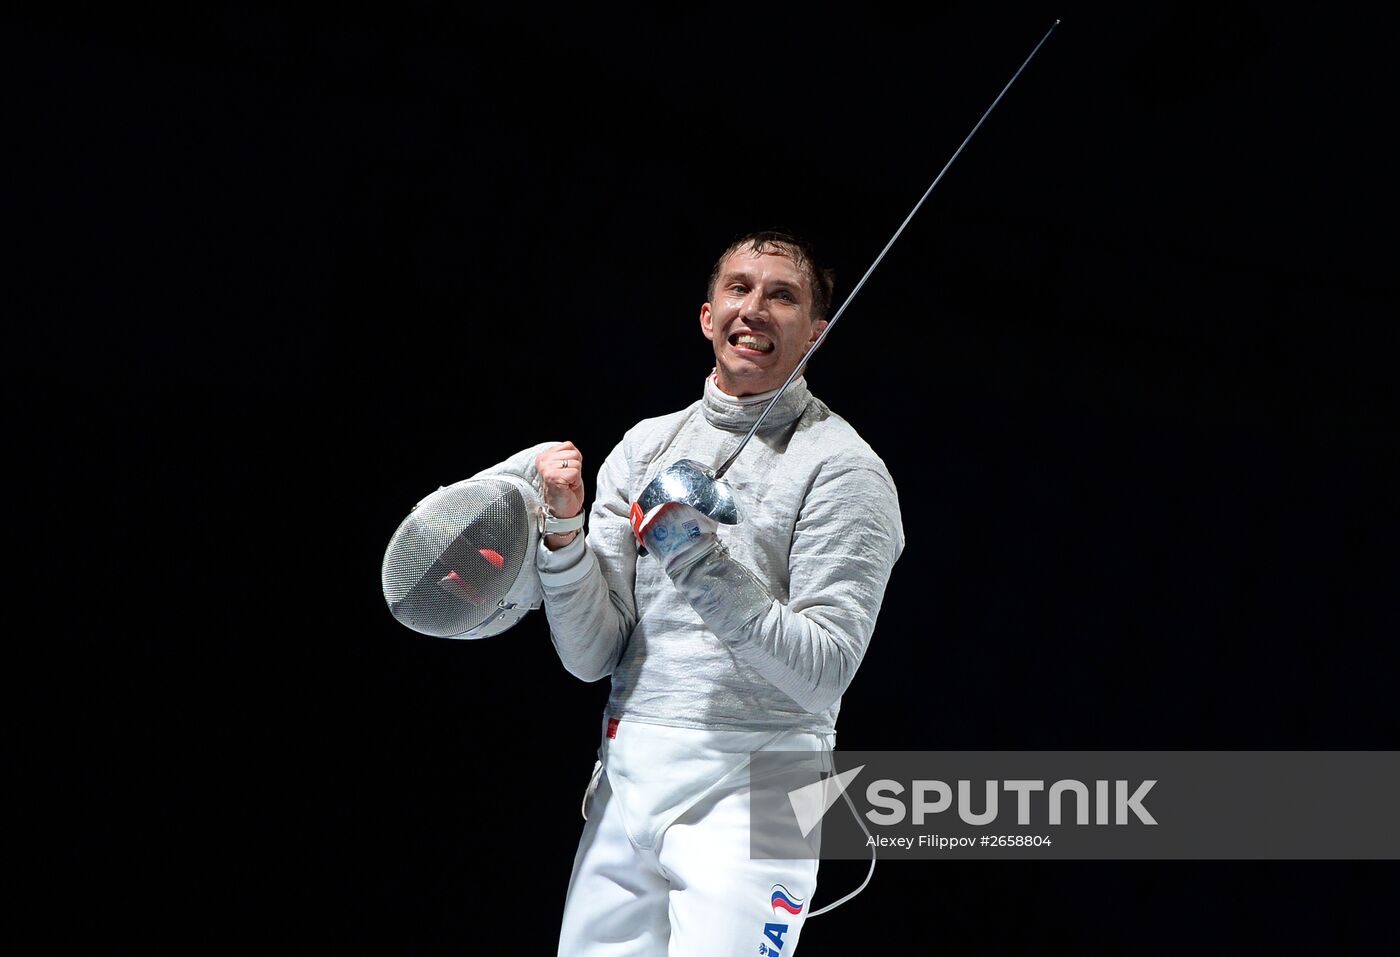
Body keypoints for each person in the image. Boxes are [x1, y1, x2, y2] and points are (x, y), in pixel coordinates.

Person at [534, 231, 904, 956]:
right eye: (739, 288)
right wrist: (563, 537)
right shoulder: (643, 447)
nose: (755, 309)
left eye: (783, 295)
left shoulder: (845, 470)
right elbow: (592, 655)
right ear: (708, 315)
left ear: (816, 334)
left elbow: (823, 668)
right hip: (628, 775)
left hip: (761, 790)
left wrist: (691, 553)